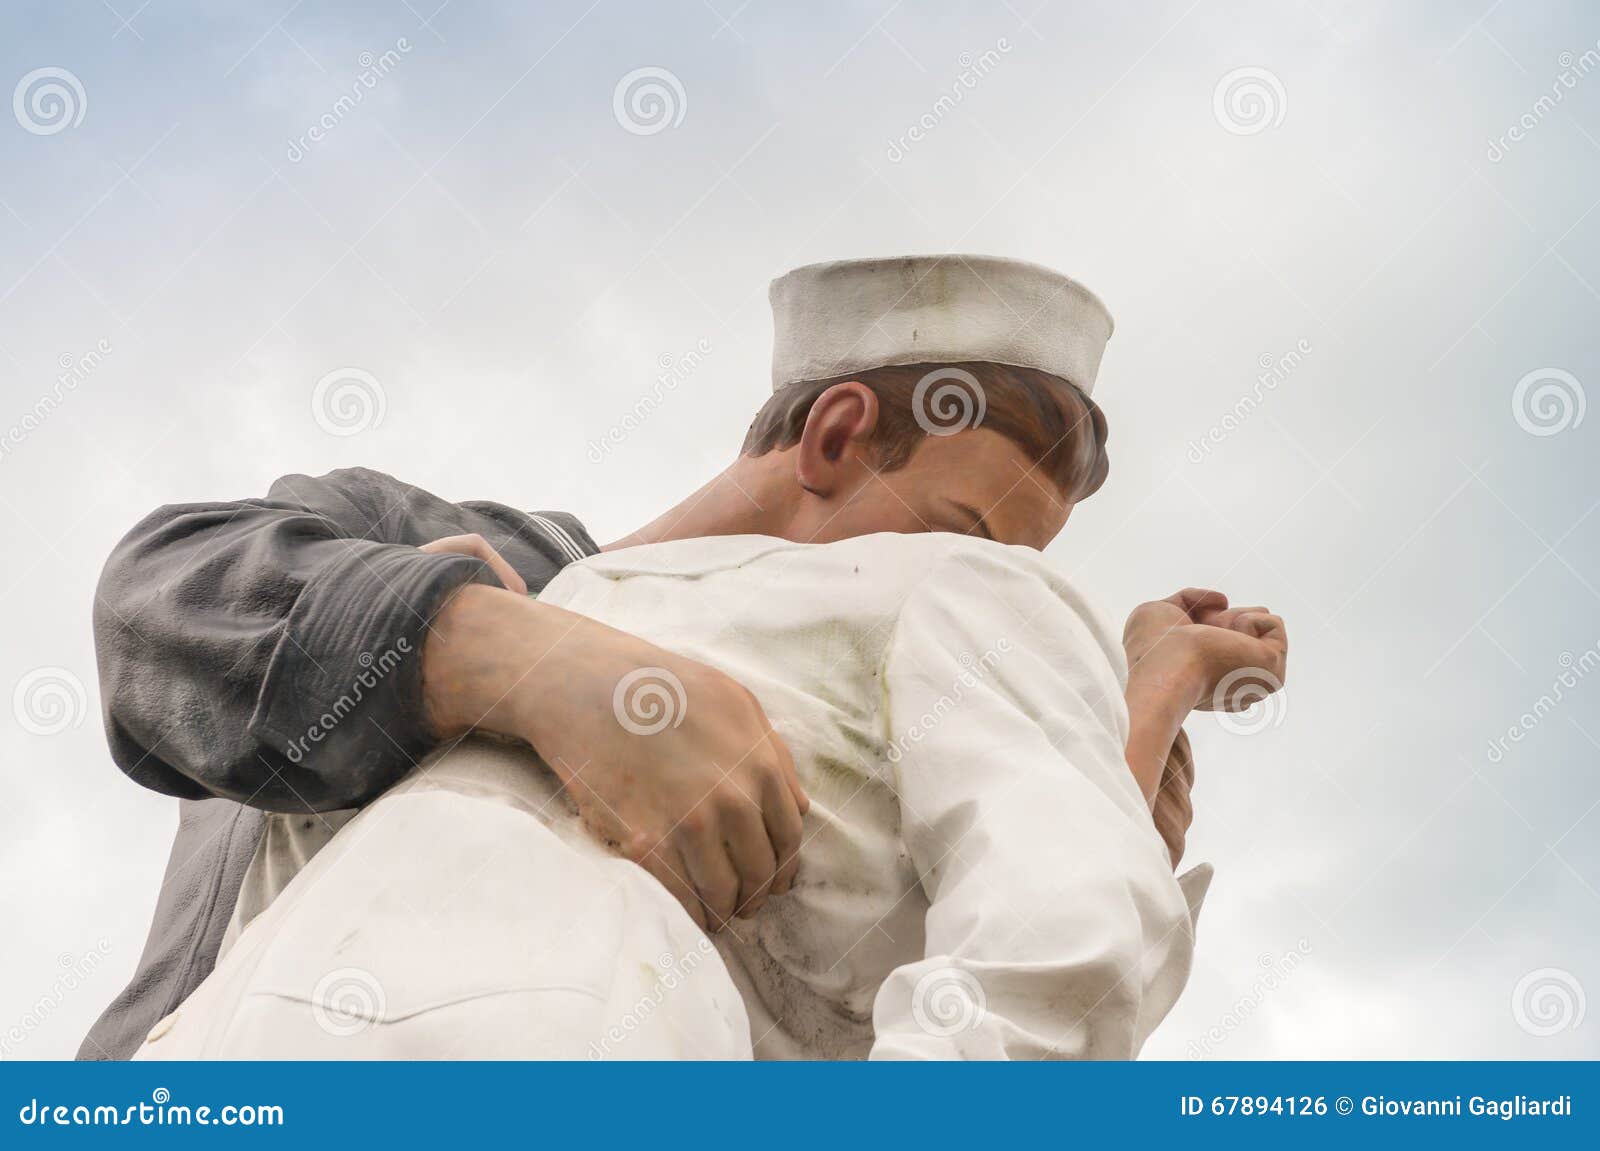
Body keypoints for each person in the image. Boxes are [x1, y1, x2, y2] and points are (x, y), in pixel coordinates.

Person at [120, 255, 1287, 1060]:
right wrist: (528, 662)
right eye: (964, 533)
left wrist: (1138, 709)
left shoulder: (921, 630)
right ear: (834, 435)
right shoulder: (436, 538)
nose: (978, 581)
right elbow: (164, 604)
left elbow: (1032, 916)